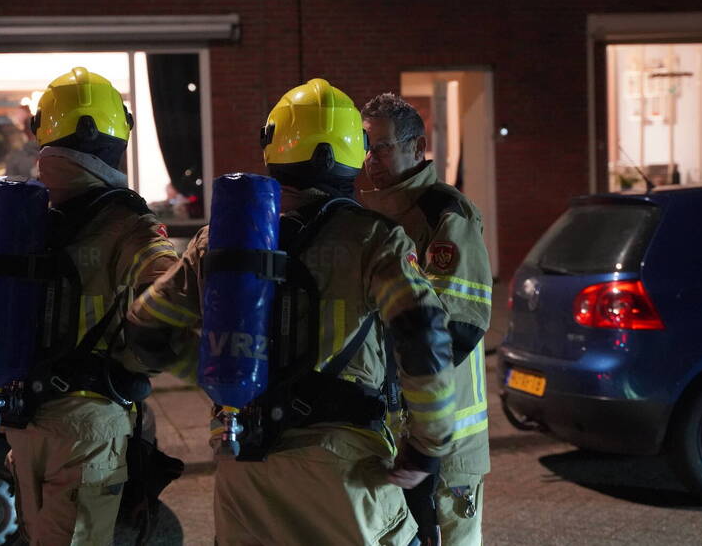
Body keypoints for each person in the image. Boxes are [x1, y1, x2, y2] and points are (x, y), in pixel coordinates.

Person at [126, 78, 458, 545]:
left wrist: (223, 375)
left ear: (273, 145)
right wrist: (428, 447)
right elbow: (422, 335)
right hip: (343, 470)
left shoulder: (217, 240)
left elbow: (145, 328)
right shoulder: (375, 239)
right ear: (354, 150)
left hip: (245, 461)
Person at [0, 67, 179, 544]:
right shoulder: (131, 224)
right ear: (119, 133)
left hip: (19, 415)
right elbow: (168, 311)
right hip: (90, 428)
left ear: (42, 133)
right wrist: (129, 368)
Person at [360, 92, 493, 546]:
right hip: (397, 425)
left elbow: (459, 327)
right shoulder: (369, 217)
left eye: (381, 146)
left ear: (417, 148)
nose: (370, 159)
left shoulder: (444, 215)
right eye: (364, 146)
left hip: (451, 429)